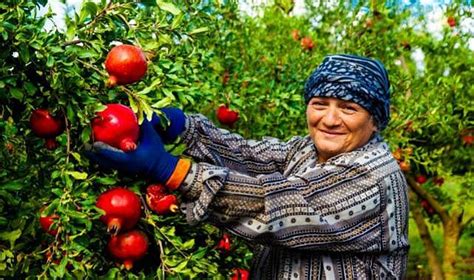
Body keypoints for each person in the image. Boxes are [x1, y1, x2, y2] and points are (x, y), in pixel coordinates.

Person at [87, 54, 409, 279]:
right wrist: (185, 128)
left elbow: (275, 210)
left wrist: (171, 170)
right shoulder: (307, 150)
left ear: (375, 120)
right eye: (320, 104)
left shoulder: (372, 177)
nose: (329, 119)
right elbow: (251, 156)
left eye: (348, 108)